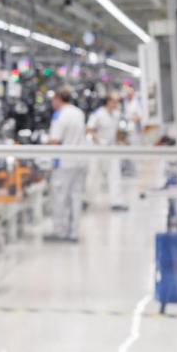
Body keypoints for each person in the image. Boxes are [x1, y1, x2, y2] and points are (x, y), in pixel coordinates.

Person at [46, 86, 88, 241]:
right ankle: (74, 233)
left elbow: (54, 141)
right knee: (76, 197)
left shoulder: (60, 115)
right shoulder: (78, 112)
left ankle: (60, 232)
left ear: (58, 99)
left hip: (64, 163)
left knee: (60, 197)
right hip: (81, 160)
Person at [87, 93, 127, 211]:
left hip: (112, 148)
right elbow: (89, 130)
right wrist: (100, 140)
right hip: (98, 149)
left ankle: (116, 201)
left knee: (115, 174)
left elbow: (118, 131)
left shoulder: (116, 114)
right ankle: (87, 199)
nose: (116, 104)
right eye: (114, 101)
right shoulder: (97, 114)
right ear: (108, 102)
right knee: (93, 174)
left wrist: (121, 141)